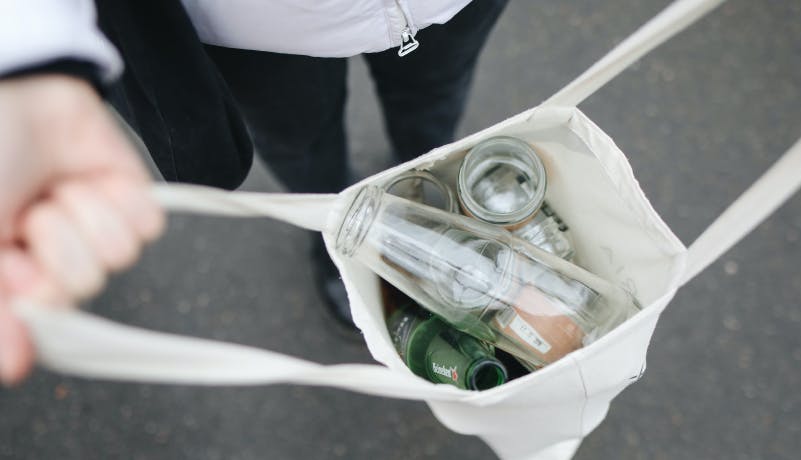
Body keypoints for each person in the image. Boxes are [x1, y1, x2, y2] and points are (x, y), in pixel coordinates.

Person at [0, 0, 506, 385]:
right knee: (302, 145)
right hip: (255, 24)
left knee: (435, 106)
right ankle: (334, 225)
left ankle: (426, 191)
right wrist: (28, 52)